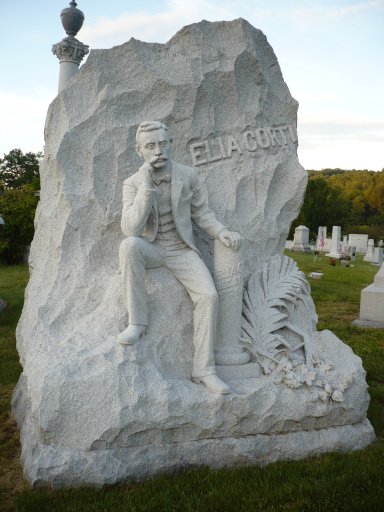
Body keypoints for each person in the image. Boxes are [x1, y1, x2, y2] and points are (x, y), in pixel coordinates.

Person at [118, 121, 241, 394]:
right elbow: (130, 227)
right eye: (150, 146)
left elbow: (201, 214)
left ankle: (204, 371)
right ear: (139, 151)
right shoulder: (132, 183)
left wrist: (221, 231)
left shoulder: (188, 175)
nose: (158, 150)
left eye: (163, 143)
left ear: (171, 143)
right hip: (152, 247)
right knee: (128, 246)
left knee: (209, 297)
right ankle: (136, 322)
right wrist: (146, 188)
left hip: (182, 250)